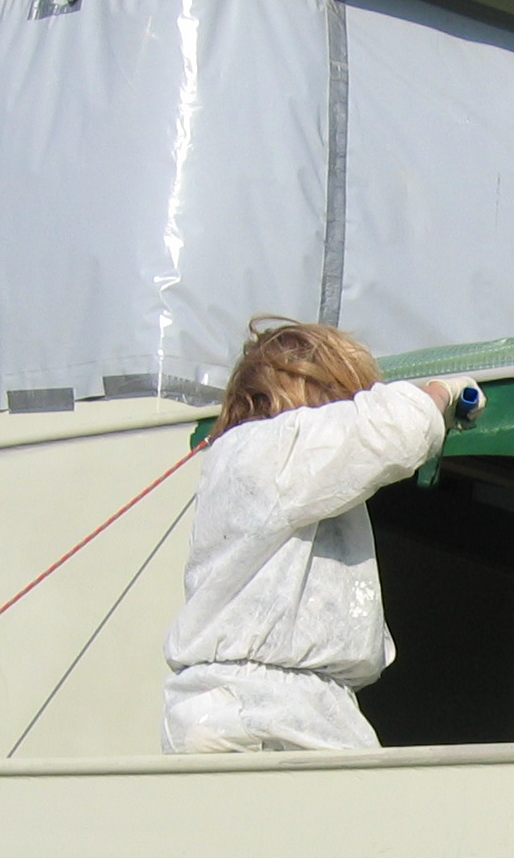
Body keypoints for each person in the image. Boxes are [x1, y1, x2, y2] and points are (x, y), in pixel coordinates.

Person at [162, 318, 478, 753]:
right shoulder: (274, 447)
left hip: (244, 708)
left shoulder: (247, 460)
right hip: (263, 710)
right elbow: (391, 430)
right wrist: (440, 394)